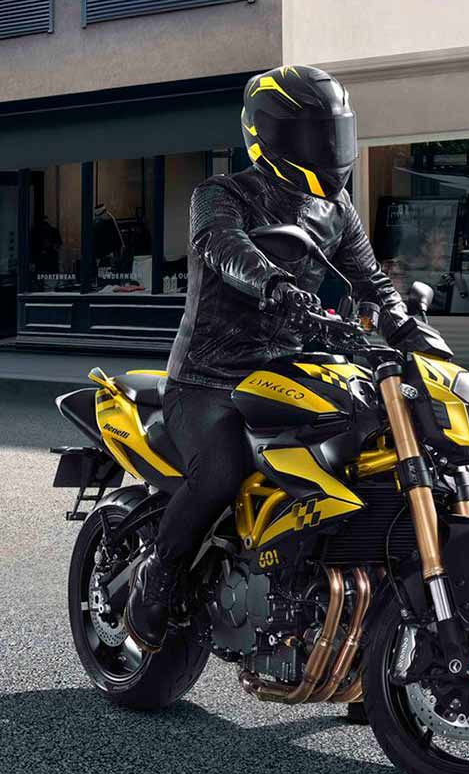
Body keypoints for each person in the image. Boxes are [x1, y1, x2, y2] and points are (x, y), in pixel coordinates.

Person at [125, 65, 406, 652]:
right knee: (222, 469)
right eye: (313, 135)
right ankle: (156, 577)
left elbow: (370, 277)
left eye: (334, 133)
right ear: (269, 135)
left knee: (366, 459)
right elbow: (224, 247)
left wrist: (400, 317)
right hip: (209, 379)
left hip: (287, 372)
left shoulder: (339, 208)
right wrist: (276, 285)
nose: (329, 148)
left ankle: (355, 635)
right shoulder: (221, 195)